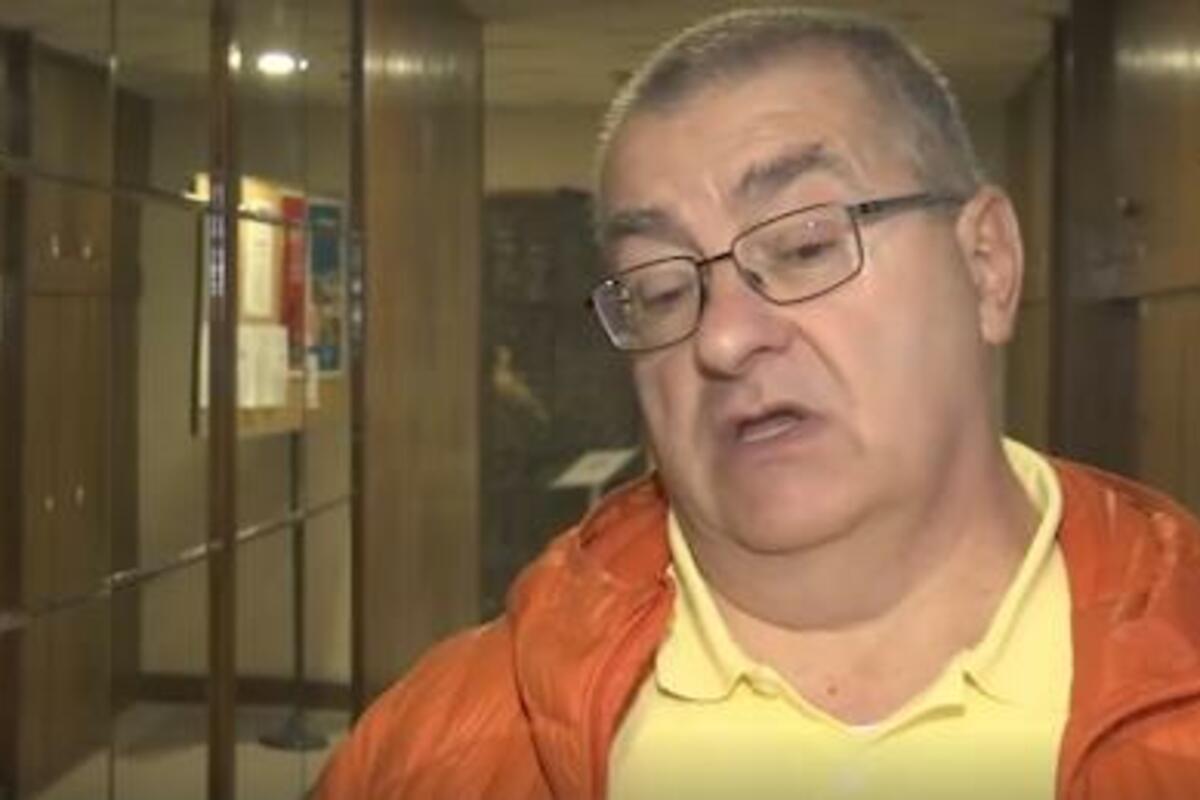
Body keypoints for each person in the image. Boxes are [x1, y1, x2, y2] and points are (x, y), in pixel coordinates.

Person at [316, 8, 1200, 799]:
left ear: (987, 265)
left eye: (806, 245)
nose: (724, 339)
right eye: (659, 290)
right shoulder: (434, 753)